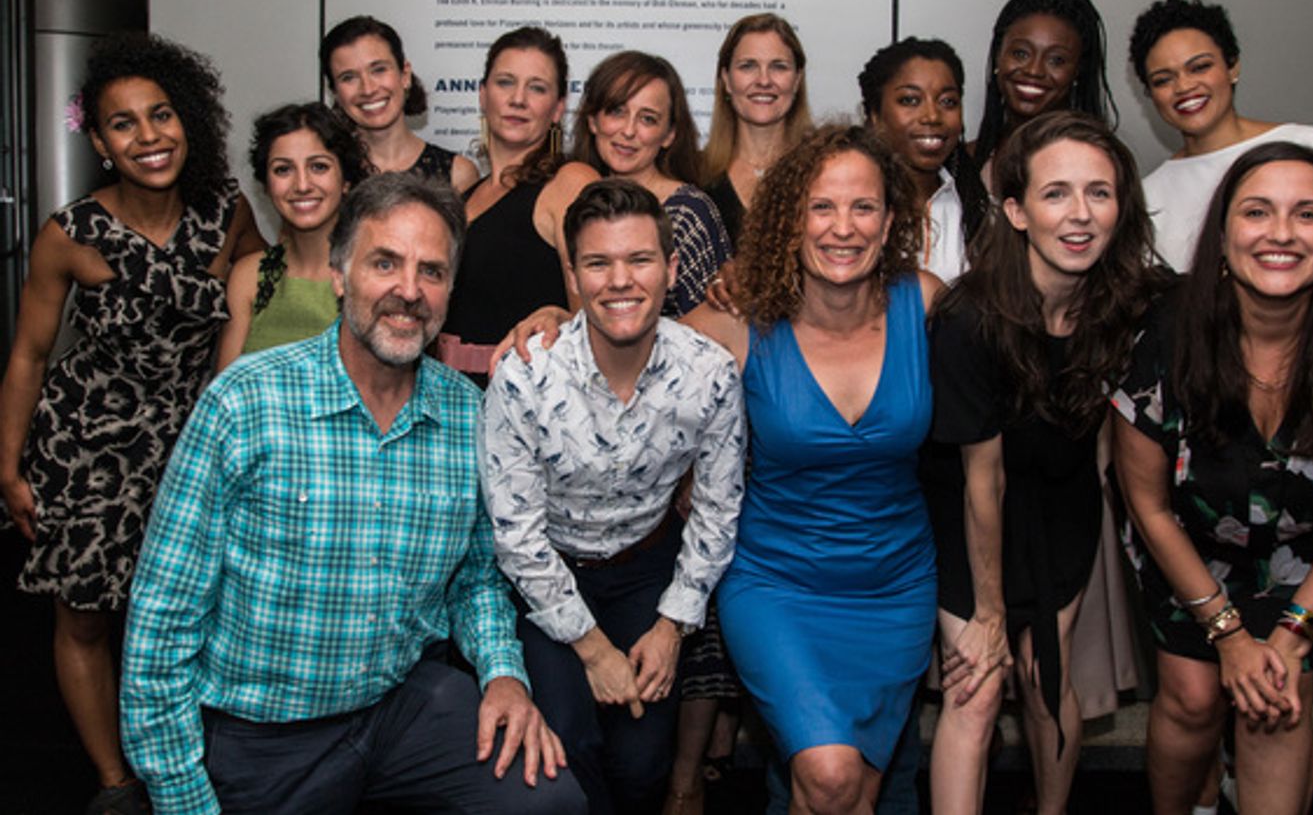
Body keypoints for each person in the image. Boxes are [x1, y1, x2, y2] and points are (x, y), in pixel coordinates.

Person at [120, 172, 585, 815]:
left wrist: (503, 672)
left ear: (450, 290)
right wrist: (180, 798)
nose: (408, 291)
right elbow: (159, 626)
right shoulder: (246, 402)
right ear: (339, 275)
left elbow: (476, 577)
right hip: (264, 733)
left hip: (399, 707)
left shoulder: (467, 416)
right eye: (385, 263)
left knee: (548, 801)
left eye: (431, 271)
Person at [0, 33, 263, 814]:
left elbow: (268, 295)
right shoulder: (70, 232)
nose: (149, 137)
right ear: (100, 140)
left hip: (191, 446)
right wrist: (9, 467)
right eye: (125, 124)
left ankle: (187, 760)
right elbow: (27, 357)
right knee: (84, 617)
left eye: (162, 115)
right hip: (85, 451)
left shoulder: (228, 214)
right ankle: (116, 782)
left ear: (189, 121)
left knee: (187, 616)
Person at [1111, 142, 1313, 815]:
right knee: (1191, 696)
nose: (1280, 233)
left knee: (1277, 696)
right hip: (1184, 533)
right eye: (1257, 212)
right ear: (1223, 234)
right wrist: (1229, 632)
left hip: (1304, 552)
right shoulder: (1164, 333)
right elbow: (1148, 505)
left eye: (1308, 214)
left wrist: (1291, 633)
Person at [686, 124, 943, 815]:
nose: (843, 227)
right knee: (831, 776)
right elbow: (626, 341)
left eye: (863, 207)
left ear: (891, 221)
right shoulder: (741, 320)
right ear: (790, 220)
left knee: (848, 789)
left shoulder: (928, 303)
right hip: (779, 584)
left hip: (896, 588)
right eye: (821, 207)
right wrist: (552, 313)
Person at [925, 111, 1167, 815]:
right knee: (976, 682)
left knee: (1046, 672)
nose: (1081, 213)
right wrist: (992, 612)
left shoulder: (1128, 303)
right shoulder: (971, 319)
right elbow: (982, 478)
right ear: (1016, 209)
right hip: (966, 507)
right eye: (1057, 193)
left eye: (1100, 192)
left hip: (1061, 503)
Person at [482, 178, 746, 815]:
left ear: (671, 267)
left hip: (645, 574)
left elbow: (717, 509)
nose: (620, 281)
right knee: (565, 748)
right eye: (598, 263)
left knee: (642, 762)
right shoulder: (524, 376)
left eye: (640, 260)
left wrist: (672, 627)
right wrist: (593, 651)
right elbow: (515, 535)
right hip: (547, 575)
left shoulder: (710, 373)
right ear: (571, 275)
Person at [1128, 0, 1313, 271]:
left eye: (1200, 67)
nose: (1184, 87)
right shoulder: (1147, 197)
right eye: (1163, 79)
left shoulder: (1307, 146)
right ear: (1150, 95)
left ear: (1232, 66)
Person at [436, 26, 597, 383]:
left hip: (525, 401)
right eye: (505, 82)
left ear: (557, 108)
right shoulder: (465, 195)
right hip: (449, 401)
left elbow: (597, 320)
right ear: (482, 94)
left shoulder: (569, 183)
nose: (518, 99)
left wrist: (558, 315)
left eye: (536, 88)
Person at [571, 51, 732, 315]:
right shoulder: (571, 200)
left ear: (669, 134)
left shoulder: (688, 214)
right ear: (592, 120)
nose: (629, 131)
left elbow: (710, 332)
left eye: (647, 119)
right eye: (617, 111)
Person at [216, 102, 368, 369]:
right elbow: (223, 396)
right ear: (265, 185)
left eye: (319, 167)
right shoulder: (248, 276)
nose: (302, 185)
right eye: (283, 169)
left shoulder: (374, 275)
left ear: (346, 180)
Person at [859, 36, 988, 283]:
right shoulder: (846, 211)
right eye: (910, 100)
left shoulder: (983, 215)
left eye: (947, 102)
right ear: (874, 115)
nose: (932, 116)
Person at [970, 0, 1116, 195]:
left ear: (1077, 72)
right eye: (1020, 53)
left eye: (1056, 60)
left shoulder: (1097, 162)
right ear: (998, 57)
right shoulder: (966, 160)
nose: (1034, 70)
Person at [320, 14, 477, 192]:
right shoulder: (325, 173)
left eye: (379, 70)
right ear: (335, 92)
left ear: (405, 75)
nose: (368, 89)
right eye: (349, 77)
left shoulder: (457, 174)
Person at [700, 13, 814, 246]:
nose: (764, 80)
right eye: (748, 66)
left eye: (778, 67)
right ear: (727, 79)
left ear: (797, 79)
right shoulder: (696, 175)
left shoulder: (822, 171)